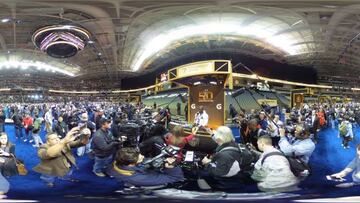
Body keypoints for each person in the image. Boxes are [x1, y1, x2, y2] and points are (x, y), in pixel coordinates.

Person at [109, 147, 184, 187]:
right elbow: (176, 178)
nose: (143, 156)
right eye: (140, 158)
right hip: (159, 178)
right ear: (131, 164)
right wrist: (171, 167)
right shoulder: (138, 179)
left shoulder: (118, 161)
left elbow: (143, 162)